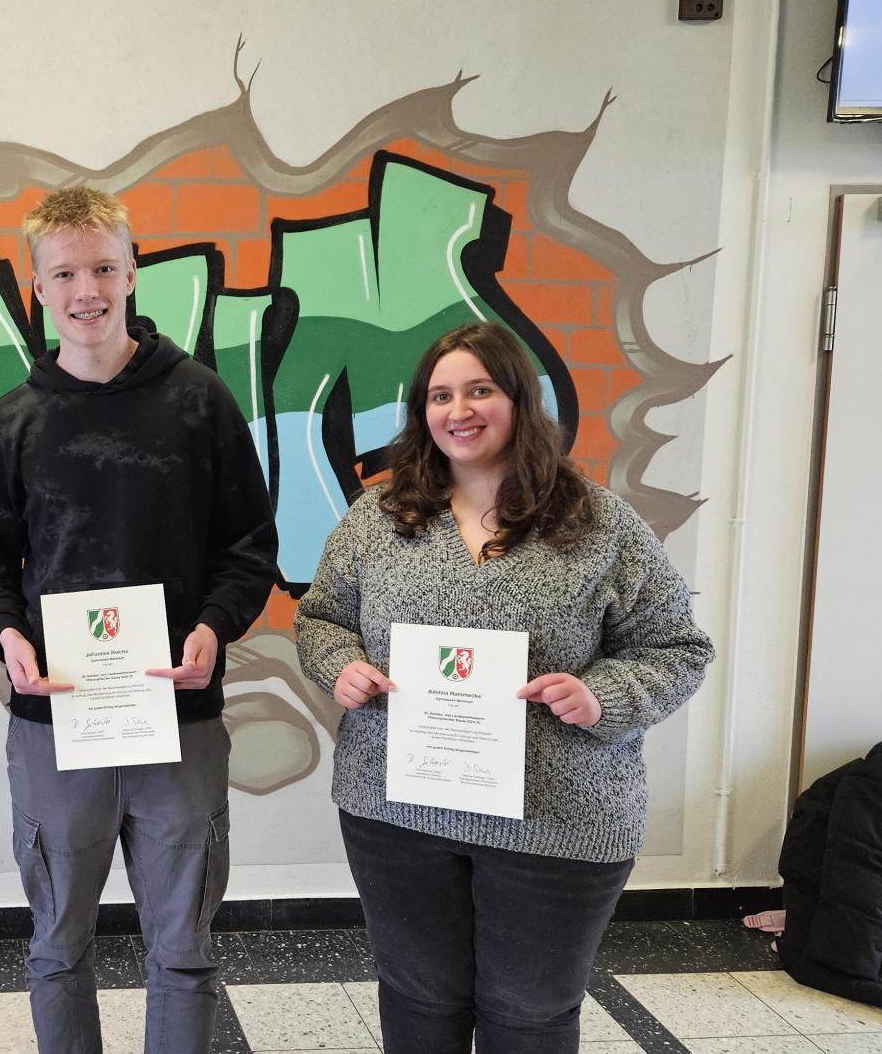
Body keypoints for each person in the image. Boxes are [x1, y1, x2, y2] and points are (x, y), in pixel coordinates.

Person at [293, 322, 715, 1054]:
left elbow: (677, 647)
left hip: (557, 817)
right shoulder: (378, 518)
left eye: (479, 390)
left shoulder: (598, 522)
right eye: (440, 396)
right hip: (399, 811)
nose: (458, 410)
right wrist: (341, 665)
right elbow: (321, 619)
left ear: (519, 400)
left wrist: (601, 696)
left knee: (530, 1015)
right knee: (419, 1000)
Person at [0, 186, 280, 1054]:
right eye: (64, 274)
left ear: (132, 272)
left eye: (102, 268)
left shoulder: (198, 401)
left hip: (179, 716)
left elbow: (247, 545)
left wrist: (214, 625)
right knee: (58, 947)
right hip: (54, 723)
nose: (86, 290)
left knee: (182, 949)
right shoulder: (10, 421)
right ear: (37, 287)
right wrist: (7, 635)